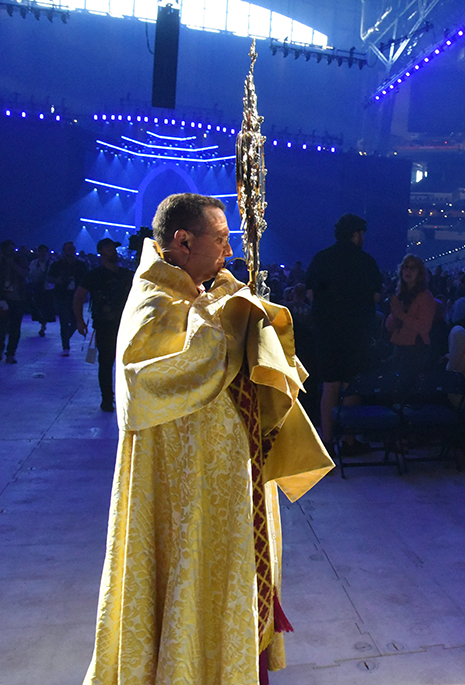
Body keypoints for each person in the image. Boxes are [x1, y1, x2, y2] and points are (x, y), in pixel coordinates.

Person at [82, 193, 333, 685]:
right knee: (187, 579)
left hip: (228, 484)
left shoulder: (203, 288)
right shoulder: (153, 301)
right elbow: (149, 381)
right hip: (185, 491)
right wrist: (232, 316)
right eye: (220, 241)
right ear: (182, 241)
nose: (228, 252)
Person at [304, 213, 381, 452]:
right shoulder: (366, 261)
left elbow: (310, 294)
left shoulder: (322, 258)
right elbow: (376, 297)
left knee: (329, 385)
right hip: (355, 333)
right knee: (350, 385)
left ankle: (326, 440)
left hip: (326, 332)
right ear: (357, 234)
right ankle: (349, 441)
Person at [73, 238, 135, 412]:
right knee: (106, 363)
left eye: (114, 249)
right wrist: (79, 320)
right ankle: (107, 398)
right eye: (109, 249)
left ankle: (126, 397)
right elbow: (78, 297)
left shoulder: (126, 275)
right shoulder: (94, 275)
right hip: (105, 325)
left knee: (127, 363)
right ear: (101, 251)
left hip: (127, 324)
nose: (113, 252)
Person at [385, 254, 436, 374]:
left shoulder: (425, 296)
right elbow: (389, 327)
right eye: (405, 267)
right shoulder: (400, 295)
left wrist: (401, 314)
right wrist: (394, 315)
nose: (408, 271)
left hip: (416, 350)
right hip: (399, 347)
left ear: (420, 272)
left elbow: (424, 328)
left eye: (412, 268)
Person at [0, 239, 28, 364]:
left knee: (15, 328)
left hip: (18, 297)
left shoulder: (20, 260)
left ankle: (11, 353)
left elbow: (24, 273)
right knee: (0, 326)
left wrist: (13, 264)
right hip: (1, 297)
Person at [48, 241, 87, 356]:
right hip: (62, 295)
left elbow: (86, 279)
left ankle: (66, 337)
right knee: (64, 321)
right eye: (68, 249)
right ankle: (65, 345)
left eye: (72, 249)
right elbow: (49, 278)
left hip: (76, 296)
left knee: (75, 321)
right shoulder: (57, 265)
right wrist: (57, 280)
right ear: (64, 251)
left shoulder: (80, 265)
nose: (71, 251)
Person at [27, 244, 55, 337]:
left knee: (46, 309)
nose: (43, 254)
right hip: (37, 289)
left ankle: (43, 326)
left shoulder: (51, 264)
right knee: (38, 309)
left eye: (44, 252)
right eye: (41, 251)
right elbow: (30, 274)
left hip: (47, 289)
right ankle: (42, 323)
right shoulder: (33, 263)